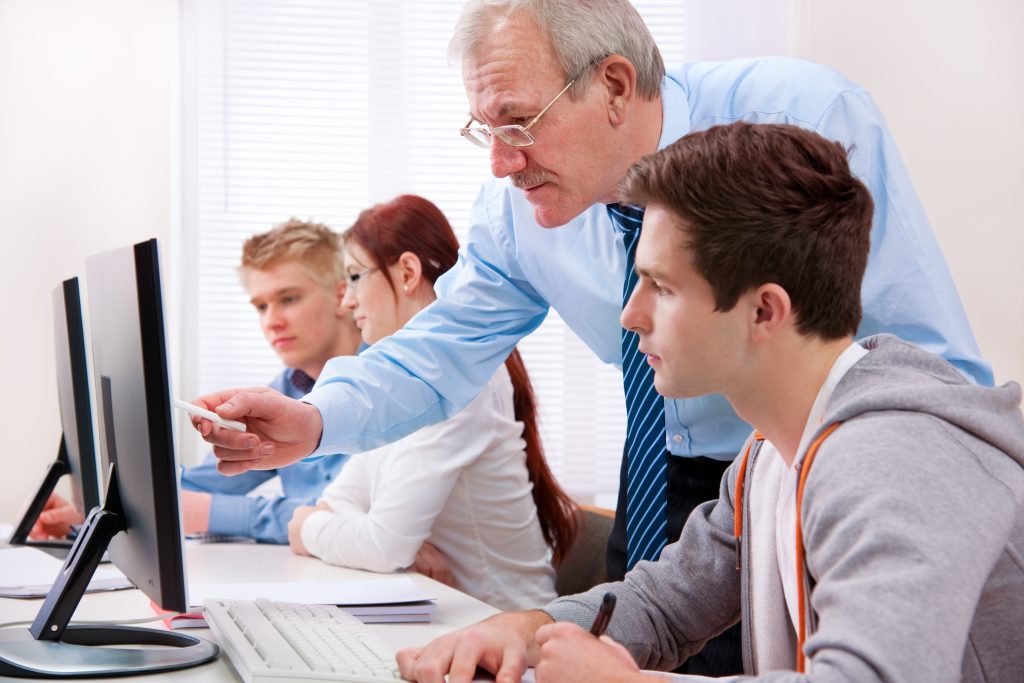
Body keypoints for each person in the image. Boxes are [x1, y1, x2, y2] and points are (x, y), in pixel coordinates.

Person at [190, 0, 992, 672]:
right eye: (484, 131)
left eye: (517, 123)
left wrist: (899, 459)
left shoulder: (805, 118)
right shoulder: (755, 474)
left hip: (848, 466)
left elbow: (924, 375)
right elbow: (442, 346)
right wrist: (532, 624)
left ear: (613, 84)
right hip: (732, 471)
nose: (502, 163)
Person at [395, 121, 1024, 683]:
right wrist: (522, 630)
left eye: (661, 287)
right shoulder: (770, 454)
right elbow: (665, 605)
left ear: (764, 310)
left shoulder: (895, 461)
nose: (630, 314)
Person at [286, 194, 576, 611]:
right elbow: (343, 501)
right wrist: (342, 527)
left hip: (501, 631)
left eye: (354, 277)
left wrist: (305, 526)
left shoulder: (465, 381)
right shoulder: (396, 382)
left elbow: (382, 545)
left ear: (407, 272)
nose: (346, 302)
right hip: (443, 614)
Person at [29, 219, 361, 545]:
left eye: (288, 299)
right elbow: (206, 484)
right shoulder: (287, 390)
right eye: (261, 306)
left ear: (341, 295)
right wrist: (91, 513)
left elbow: (350, 521)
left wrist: (211, 513)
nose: (271, 321)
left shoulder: (387, 394)